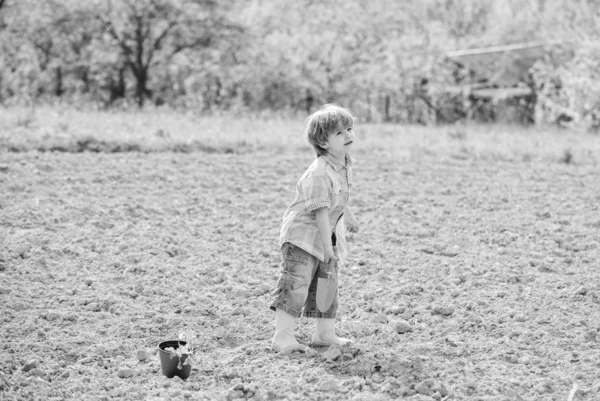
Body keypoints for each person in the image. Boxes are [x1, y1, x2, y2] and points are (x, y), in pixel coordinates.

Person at [269, 104, 359, 353]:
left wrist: (347, 215)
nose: (349, 135)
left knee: (327, 284)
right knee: (296, 286)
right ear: (323, 142)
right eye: (340, 133)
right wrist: (327, 247)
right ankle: (282, 336)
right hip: (303, 237)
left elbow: (338, 197)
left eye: (350, 129)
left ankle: (324, 334)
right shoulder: (319, 173)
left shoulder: (343, 164)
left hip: (323, 234)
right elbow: (320, 212)